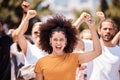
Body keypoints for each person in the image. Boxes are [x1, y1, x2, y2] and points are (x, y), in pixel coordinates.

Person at [34, 13, 102, 80]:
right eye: (55, 39)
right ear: (50, 41)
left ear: (66, 41)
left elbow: (97, 52)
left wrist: (92, 28)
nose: (58, 43)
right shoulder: (41, 62)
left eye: (61, 39)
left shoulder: (74, 58)